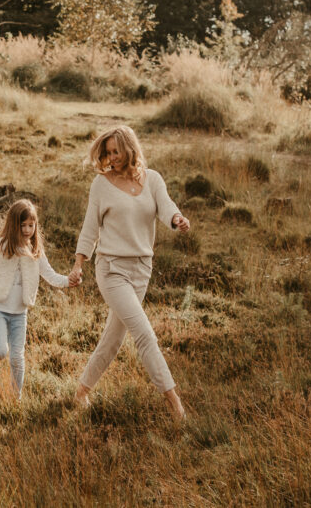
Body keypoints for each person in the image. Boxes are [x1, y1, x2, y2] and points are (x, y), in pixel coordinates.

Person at [68, 125, 191, 420]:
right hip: (111, 269)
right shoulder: (101, 184)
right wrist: (78, 263)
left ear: (129, 148)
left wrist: (177, 218)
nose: (112, 158)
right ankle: (175, 403)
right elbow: (90, 227)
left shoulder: (153, 180)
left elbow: (166, 208)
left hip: (141, 269)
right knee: (145, 334)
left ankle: (80, 392)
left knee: (113, 338)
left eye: (116, 151)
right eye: (108, 153)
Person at [0, 198, 72, 397]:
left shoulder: (35, 250)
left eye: (31, 225)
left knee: (17, 357)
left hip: (20, 312)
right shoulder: (2, 246)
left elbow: (50, 275)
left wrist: (68, 281)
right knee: (1, 350)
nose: (27, 230)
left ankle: (15, 397)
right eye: (23, 225)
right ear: (13, 225)